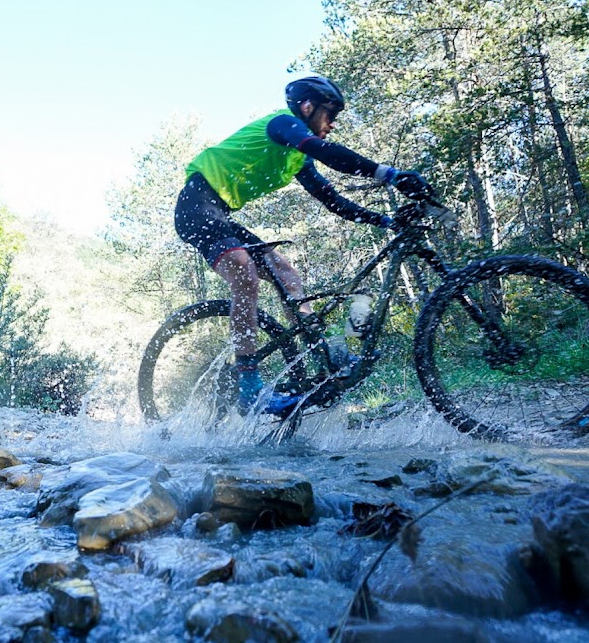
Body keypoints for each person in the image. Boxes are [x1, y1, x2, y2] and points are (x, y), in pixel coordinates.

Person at [173, 76, 428, 414]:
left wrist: (386, 220)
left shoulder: (298, 159)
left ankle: (320, 352)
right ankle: (249, 387)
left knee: (287, 274)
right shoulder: (283, 124)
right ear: (307, 107)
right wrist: (390, 174)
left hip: (220, 213)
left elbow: (333, 200)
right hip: (196, 206)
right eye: (329, 113)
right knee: (245, 274)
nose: (332, 124)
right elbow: (325, 152)